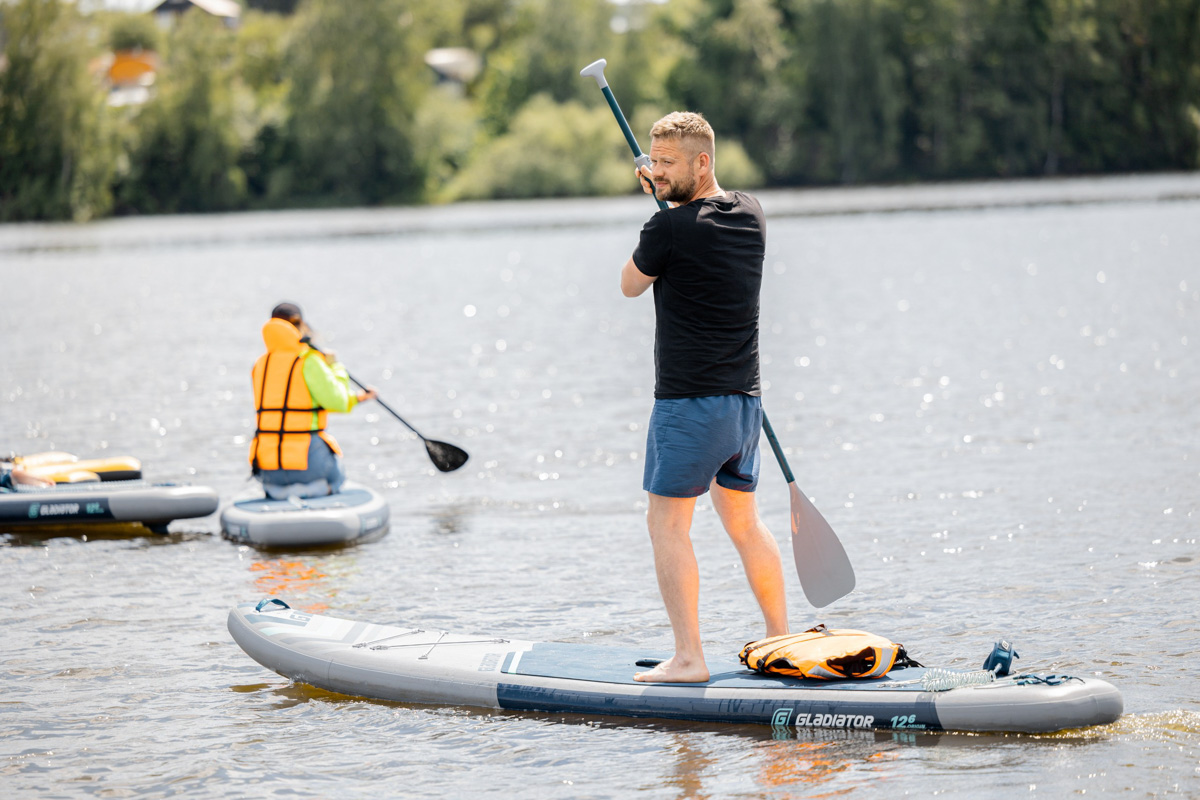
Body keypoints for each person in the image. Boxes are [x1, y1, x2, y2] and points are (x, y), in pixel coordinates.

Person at [620, 112, 789, 683]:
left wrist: (658, 212)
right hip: (745, 408)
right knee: (744, 522)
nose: (657, 171)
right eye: (653, 162)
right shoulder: (752, 213)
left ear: (703, 162)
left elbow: (629, 282)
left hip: (689, 406)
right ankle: (779, 639)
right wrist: (666, 198)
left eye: (668, 163)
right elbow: (701, 224)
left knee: (666, 526)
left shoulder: (666, 230)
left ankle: (690, 658)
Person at [248, 303, 376, 497]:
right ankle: (316, 489)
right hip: (309, 464)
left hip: (267, 465)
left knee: (277, 474)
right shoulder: (309, 360)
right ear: (300, 326)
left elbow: (294, 404)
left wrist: (357, 397)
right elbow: (337, 401)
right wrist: (335, 366)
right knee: (339, 475)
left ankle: (277, 491)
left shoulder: (260, 364)